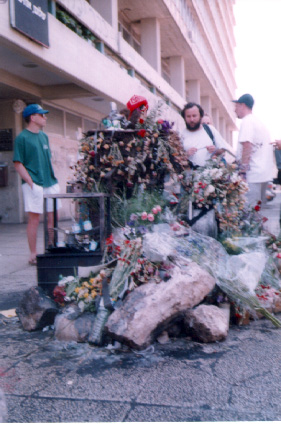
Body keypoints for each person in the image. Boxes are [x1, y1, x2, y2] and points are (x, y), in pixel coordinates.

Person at [13, 104, 60, 265]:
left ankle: (51, 248)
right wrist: (30, 183)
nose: (45, 117)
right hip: (34, 183)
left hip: (50, 182)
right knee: (34, 219)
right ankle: (33, 254)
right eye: (42, 115)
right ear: (33, 118)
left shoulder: (44, 136)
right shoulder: (22, 138)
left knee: (53, 216)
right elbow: (18, 163)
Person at [232, 93, 274, 207]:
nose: (235, 110)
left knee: (248, 212)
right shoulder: (258, 122)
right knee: (256, 211)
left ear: (242, 105)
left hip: (252, 175)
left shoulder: (247, 121)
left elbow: (247, 145)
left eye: (236, 106)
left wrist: (242, 172)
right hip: (262, 175)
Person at [181, 102, 229, 167]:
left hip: (209, 175)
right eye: (188, 116)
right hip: (189, 175)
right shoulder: (180, 135)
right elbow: (176, 158)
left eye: (194, 116)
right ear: (184, 117)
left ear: (200, 116)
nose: (192, 119)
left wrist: (215, 151)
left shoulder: (210, 129)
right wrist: (186, 154)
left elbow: (223, 149)